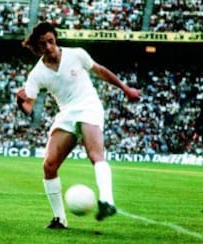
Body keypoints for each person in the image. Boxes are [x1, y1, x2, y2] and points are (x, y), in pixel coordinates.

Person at [17, 22, 140, 229]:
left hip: (89, 106)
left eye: (51, 41)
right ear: (37, 48)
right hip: (66, 113)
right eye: (43, 44)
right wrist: (21, 102)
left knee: (95, 154)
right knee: (49, 165)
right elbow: (29, 107)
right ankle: (59, 219)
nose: (49, 47)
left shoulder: (76, 54)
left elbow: (100, 71)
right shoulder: (37, 74)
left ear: (55, 40)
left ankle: (107, 201)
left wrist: (126, 89)